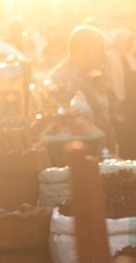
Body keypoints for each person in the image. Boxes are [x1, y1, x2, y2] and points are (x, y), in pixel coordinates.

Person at [47, 25, 109, 163]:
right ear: (82, 50)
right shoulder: (62, 80)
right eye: (99, 49)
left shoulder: (85, 76)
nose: (104, 54)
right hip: (76, 163)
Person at [105, 29, 136, 162]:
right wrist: (119, 100)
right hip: (125, 104)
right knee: (128, 138)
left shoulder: (129, 57)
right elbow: (115, 80)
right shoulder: (112, 57)